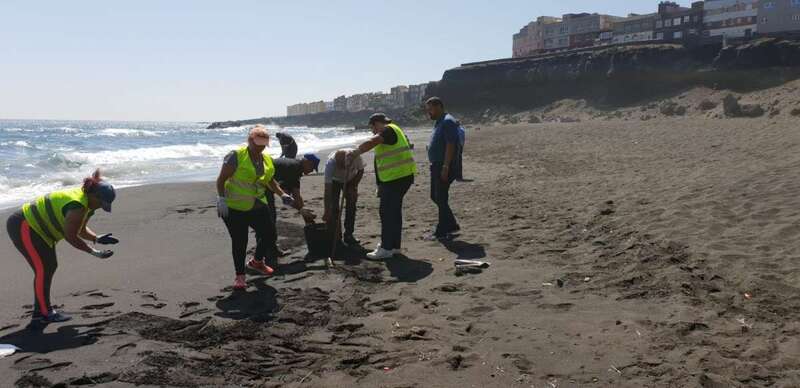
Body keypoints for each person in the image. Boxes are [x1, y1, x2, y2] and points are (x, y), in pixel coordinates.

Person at [6, 169, 117, 326]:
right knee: (44, 268)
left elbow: (80, 230)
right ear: (94, 196)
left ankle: (41, 311)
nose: (100, 207)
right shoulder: (77, 205)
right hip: (24, 225)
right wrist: (95, 252)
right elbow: (71, 237)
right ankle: (43, 313)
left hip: (41, 231)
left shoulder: (86, 205)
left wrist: (97, 238)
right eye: (101, 203)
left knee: (49, 266)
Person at [216, 125, 294, 290]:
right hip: (234, 207)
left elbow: (270, 180)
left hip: (257, 204)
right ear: (250, 141)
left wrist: (282, 194)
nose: (260, 148)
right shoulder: (236, 156)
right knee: (240, 241)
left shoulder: (266, 159)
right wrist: (221, 199)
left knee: (269, 234)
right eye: (257, 144)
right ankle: (240, 276)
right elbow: (221, 179)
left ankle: (257, 262)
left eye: (263, 145)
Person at [349, 113, 416, 260]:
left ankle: (386, 248)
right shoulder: (395, 130)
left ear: (377, 123)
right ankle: (394, 246)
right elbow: (380, 161)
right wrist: (380, 184)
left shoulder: (388, 130)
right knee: (394, 212)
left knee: (386, 213)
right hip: (399, 177)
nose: (372, 131)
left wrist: (355, 152)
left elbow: (372, 141)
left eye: (372, 128)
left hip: (396, 178)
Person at [424, 97, 461, 241]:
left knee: (441, 197)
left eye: (430, 109)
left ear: (439, 106)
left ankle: (442, 231)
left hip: (443, 165)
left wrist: (445, 166)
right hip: (437, 165)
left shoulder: (447, 121)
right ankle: (451, 224)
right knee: (435, 196)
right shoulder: (439, 122)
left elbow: (451, 145)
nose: (429, 113)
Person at [323, 148, 365, 247]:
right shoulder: (330, 164)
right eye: (340, 166)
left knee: (351, 205)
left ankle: (349, 235)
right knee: (334, 208)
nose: (342, 169)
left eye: (343, 166)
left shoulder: (356, 156)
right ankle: (337, 236)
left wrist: (353, 185)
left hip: (351, 179)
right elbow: (327, 190)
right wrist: (326, 210)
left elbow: (361, 170)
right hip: (335, 181)